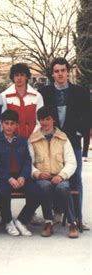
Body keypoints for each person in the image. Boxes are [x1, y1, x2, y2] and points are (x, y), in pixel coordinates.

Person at [39, 57, 90, 230]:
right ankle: (57, 212)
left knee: (75, 178)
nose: (60, 74)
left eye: (63, 70)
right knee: (53, 175)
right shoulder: (44, 93)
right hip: (51, 142)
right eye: (56, 71)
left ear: (68, 72)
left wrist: (79, 133)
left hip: (73, 141)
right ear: (52, 74)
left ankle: (77, 218)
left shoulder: (80, 92)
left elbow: (88, 116)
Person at [28, 106, 79, 238]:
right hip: (43, 177)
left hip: (60, 176)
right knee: (45, 186)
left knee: (63, 188)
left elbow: (71, 162)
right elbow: (28, 164)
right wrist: (37, 173)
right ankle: (48, 222)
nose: (44, 122)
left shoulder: (63, 138)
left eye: (48, 119)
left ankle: (72, 223)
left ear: (53, 120)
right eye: (41, 120)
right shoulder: (33, 139)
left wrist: (62, 176)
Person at [0, 110, 42, 237]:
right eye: (6, 123)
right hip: (3, 176)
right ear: (2, 124)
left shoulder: (22, 141)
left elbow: (27, 160)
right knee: (3, 191)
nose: (9, 126)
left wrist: (23, 176)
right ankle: (8, 221)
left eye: (12, 124)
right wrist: (8, 178)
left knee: (37, 192)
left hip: (20, 176)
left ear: (16, 125)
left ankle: (22, 221)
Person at [1, 63, 43, 139]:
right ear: (13, 77)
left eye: (22, 75)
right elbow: (2, 122)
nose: (19, 78)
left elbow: (40, 121)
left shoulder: (37, 96)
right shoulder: (4, 96)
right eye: (16, 75)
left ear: (26, 77)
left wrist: (32, 138)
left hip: (33, 140)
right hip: (12, 141)